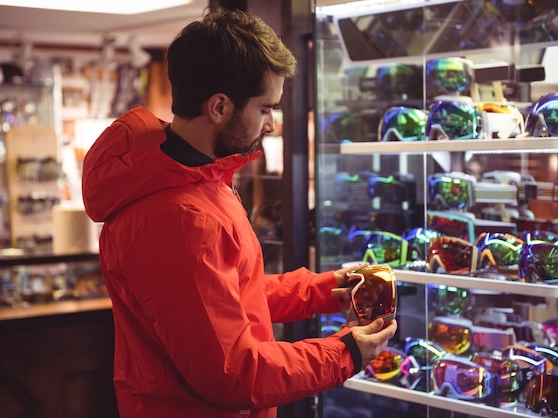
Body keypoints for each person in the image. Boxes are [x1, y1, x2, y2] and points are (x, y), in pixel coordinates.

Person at [82, 8, 397, 418]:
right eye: (266, 108)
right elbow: (231, 374)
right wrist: (346, 352)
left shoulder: (195, 181)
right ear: (219, 107)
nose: (270, 125)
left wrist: (328, 289)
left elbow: (227, 298)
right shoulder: (179, 216)